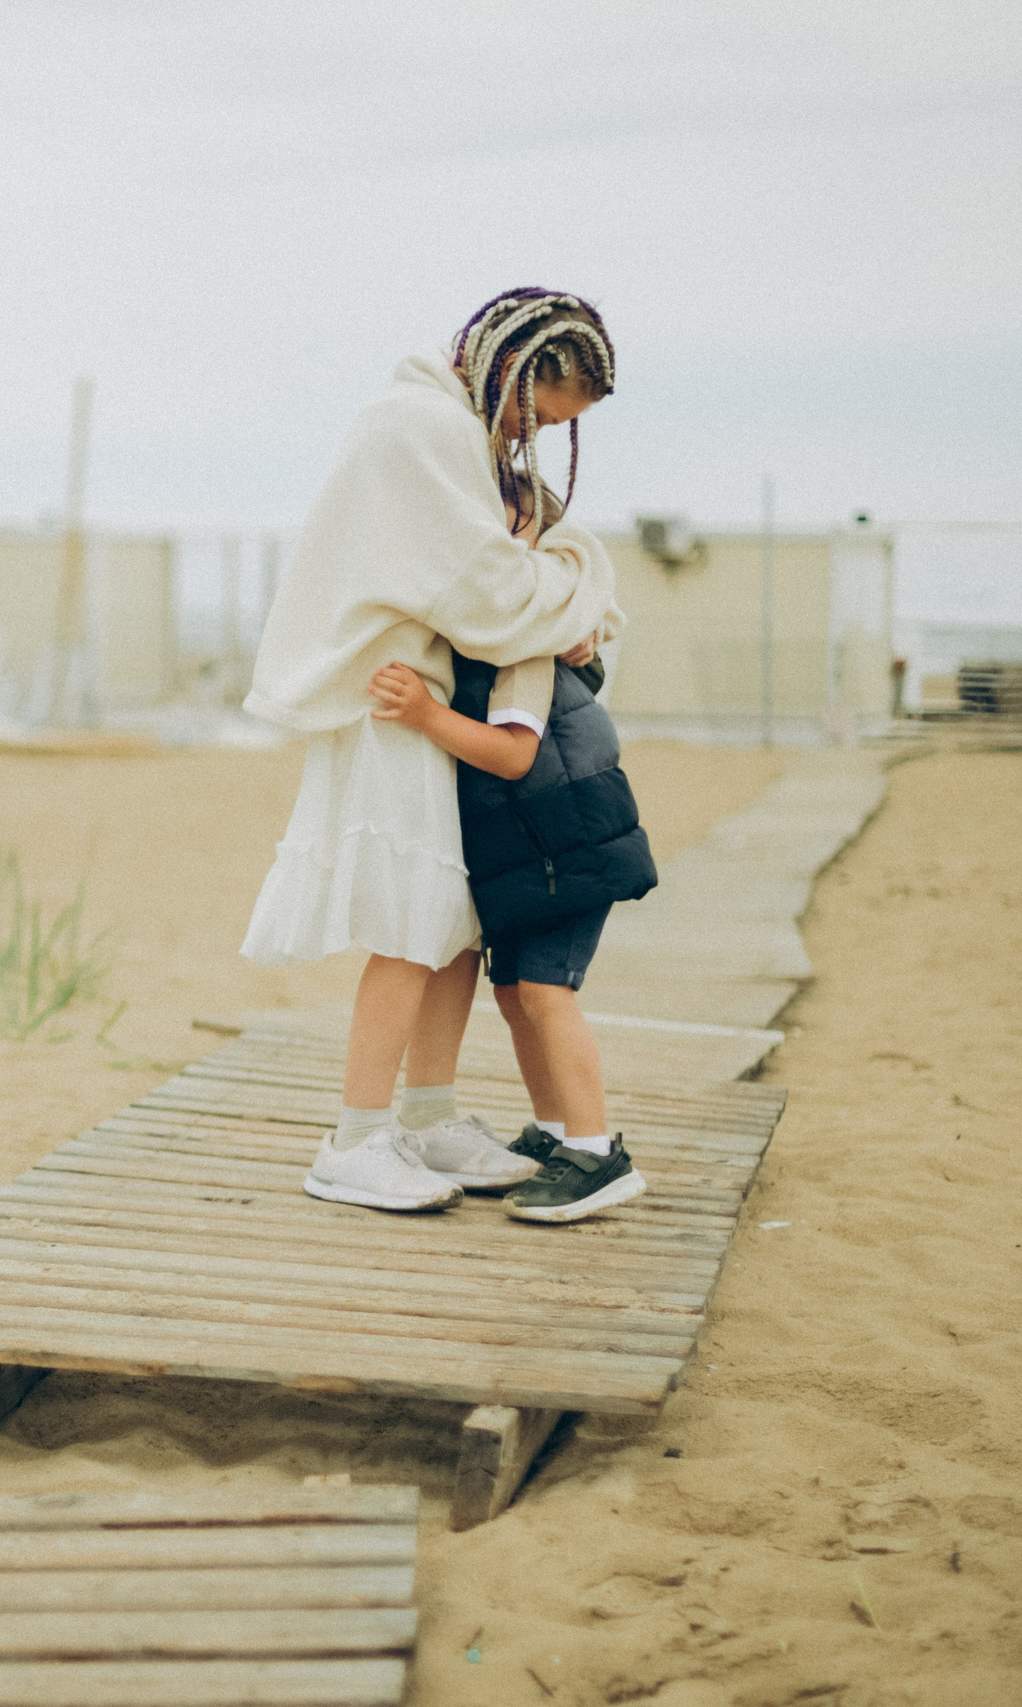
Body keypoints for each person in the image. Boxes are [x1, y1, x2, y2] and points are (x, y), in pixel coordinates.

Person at [240, 288, 620, 1213]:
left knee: (450, 922)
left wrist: (574, 592)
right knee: (409, 924)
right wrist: (584, 585)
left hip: (424, 701)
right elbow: (485, 592)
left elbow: (521, 561)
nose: (536, 438)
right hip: (388, 706)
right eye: (545, 412)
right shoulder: (416, 429)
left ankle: (426, 1111)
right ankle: (356, 1139)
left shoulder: (458, 432)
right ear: (522, 372)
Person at [367, 630, 657, 1222]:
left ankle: (595, 1152)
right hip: (533, 857)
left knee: (547, 993)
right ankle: (555, 1134)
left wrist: (426, 713)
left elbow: (514, 753)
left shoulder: (520, 639)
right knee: (514, 994)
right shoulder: (492, 638)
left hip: (572, 848)